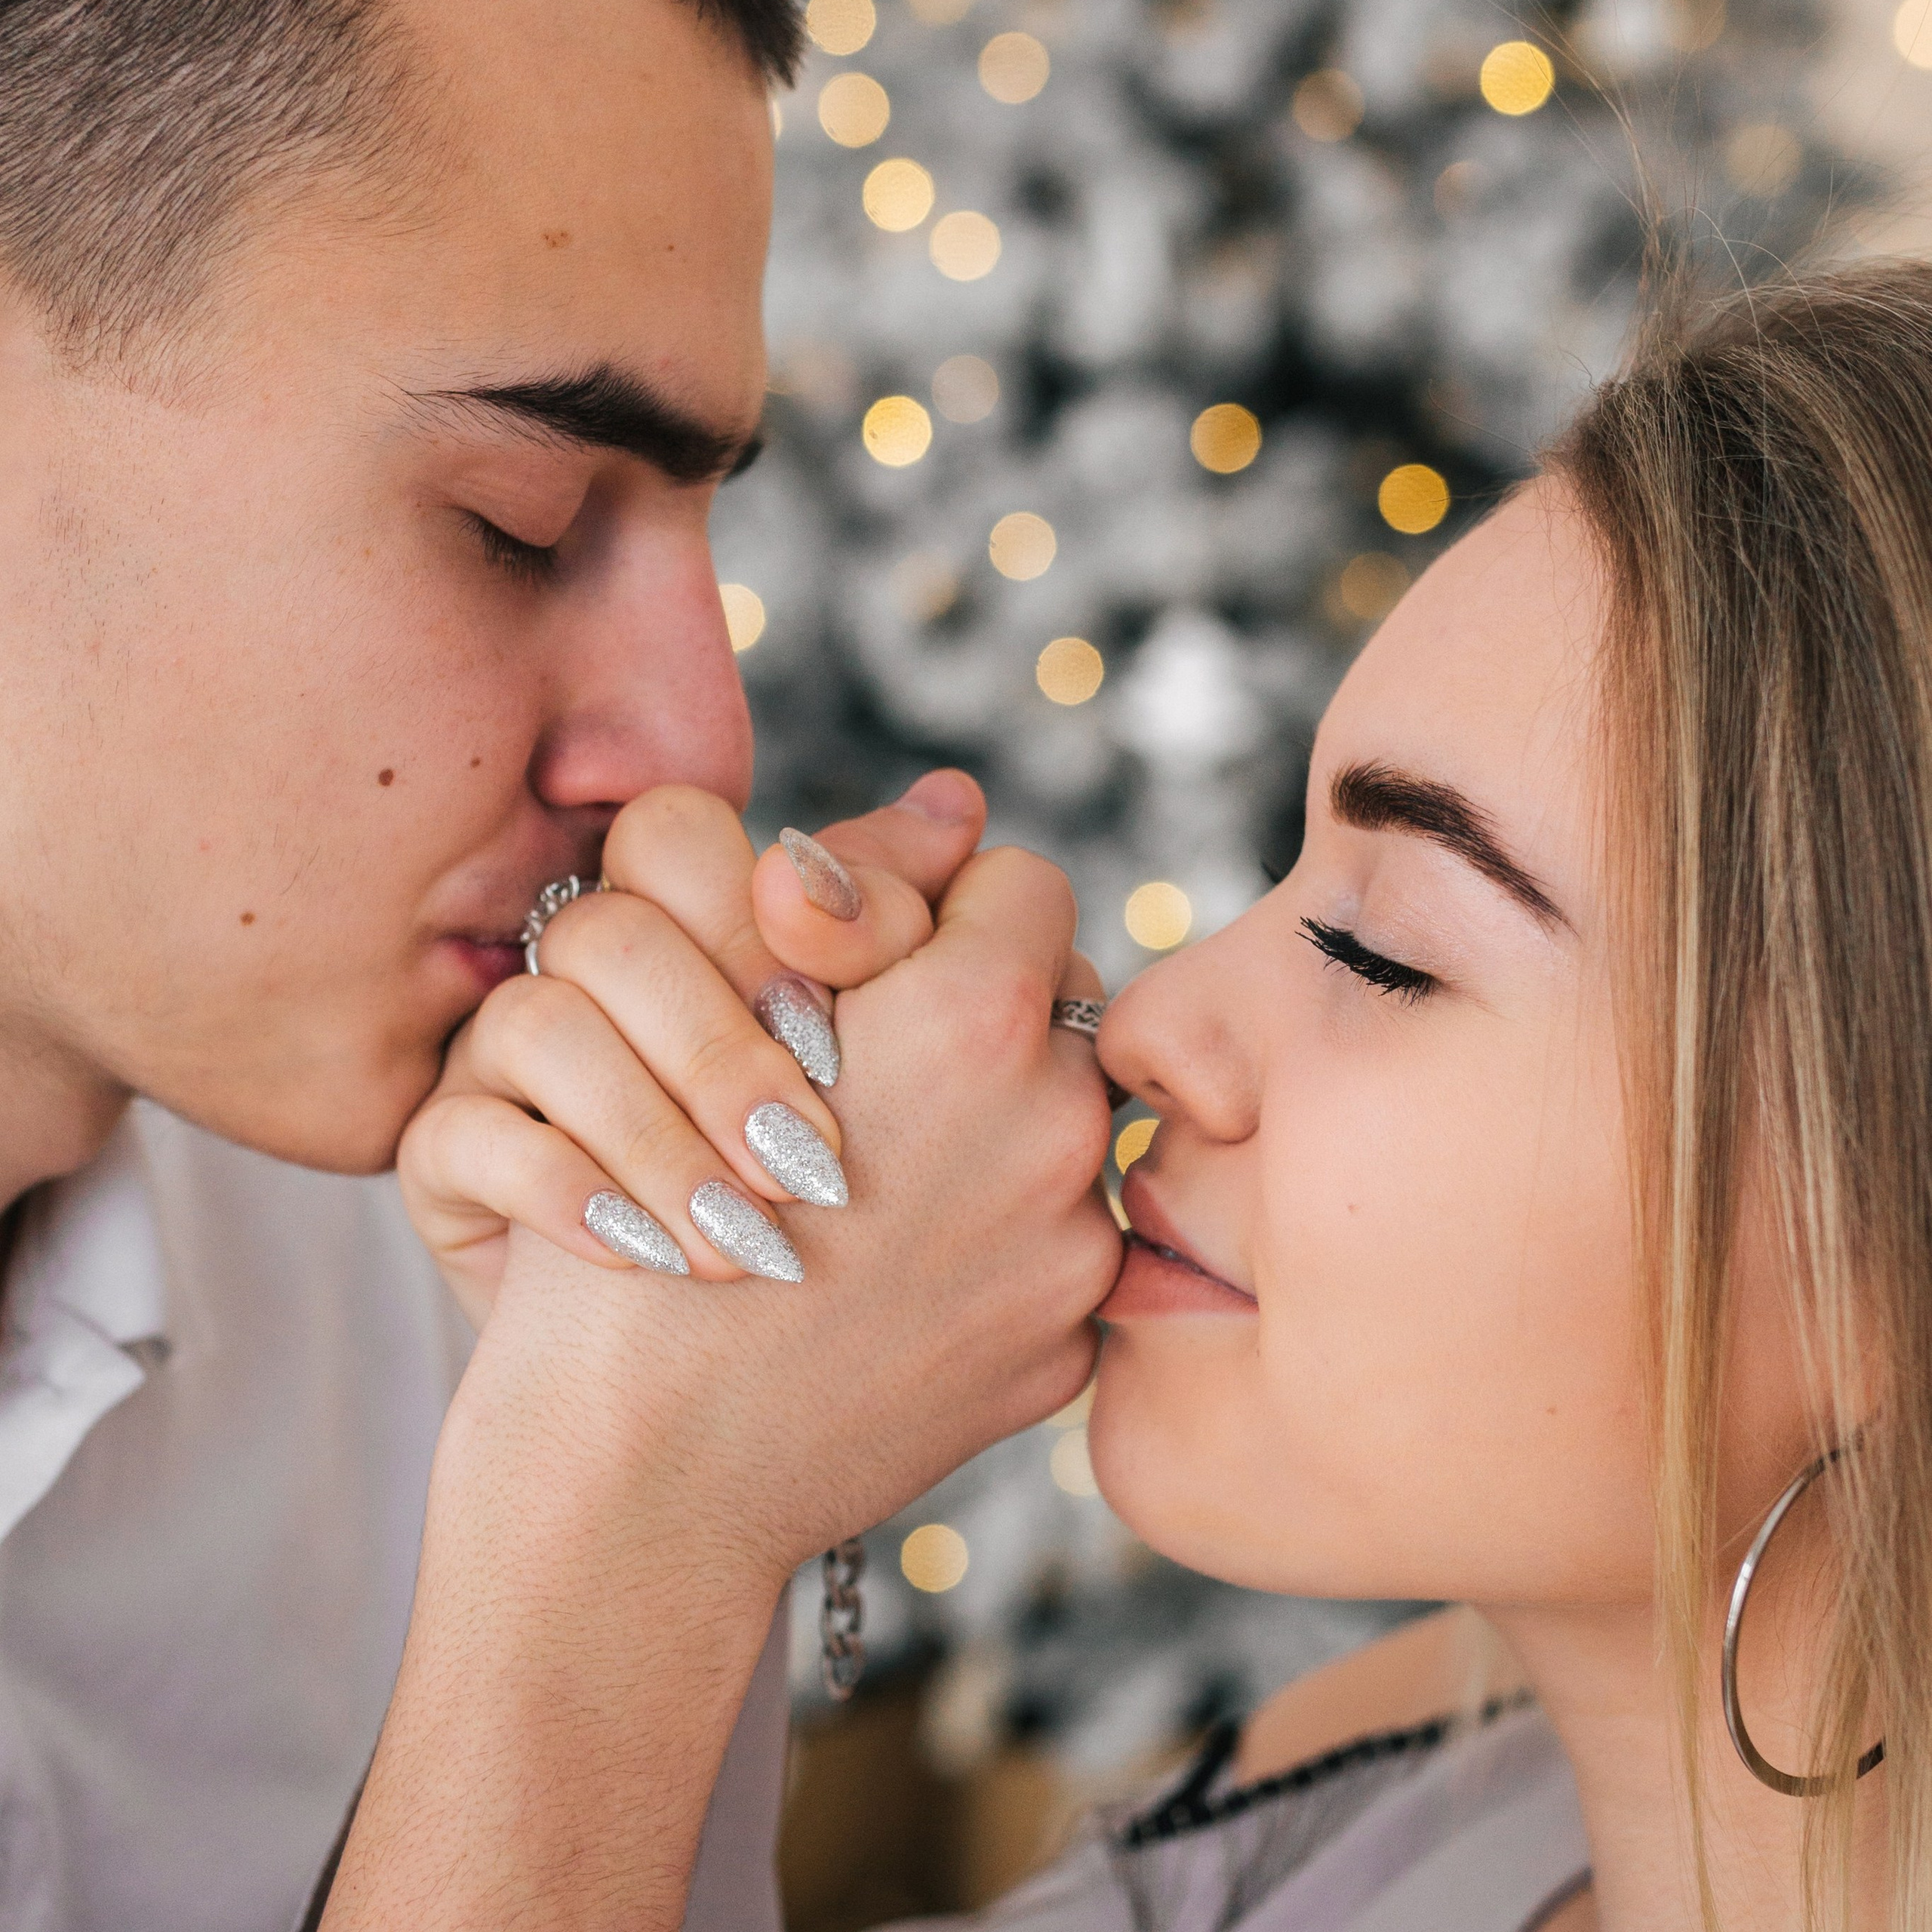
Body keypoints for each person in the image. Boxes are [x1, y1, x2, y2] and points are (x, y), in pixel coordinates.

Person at [415, 257, 1932, 1931]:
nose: (1146, 1025)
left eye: (1381, 952)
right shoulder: (1339, 1819)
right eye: (1291, 874)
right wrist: (585, 1393)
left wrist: (604, 1528)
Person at [0, 0, 1116, 1925]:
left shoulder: (505, 1274)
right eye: (513, 526)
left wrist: (636, 1453)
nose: (698, 748)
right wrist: (627, 1561)